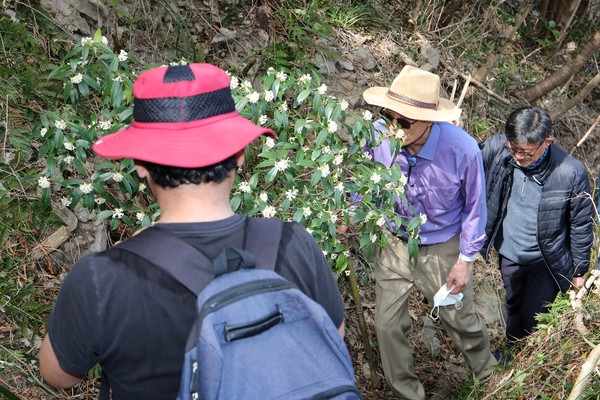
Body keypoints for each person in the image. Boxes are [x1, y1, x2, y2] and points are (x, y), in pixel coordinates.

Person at [38, 63, 346, 399]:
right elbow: (331, 340)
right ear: (241, 154)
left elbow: (58, 374)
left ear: (139, 164)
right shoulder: (295, 243)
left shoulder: (101, 279)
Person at [358, 65, 497, 399]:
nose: (394, 128)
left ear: (430, 120)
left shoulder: (462, 150)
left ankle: (491, 377)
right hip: (393, 242)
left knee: (459, 319)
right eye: (389, 116)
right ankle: (409, 393)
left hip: (442, 246)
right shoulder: (377, 134)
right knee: (387, 325)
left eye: (404, 122)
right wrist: (353, 211)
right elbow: (360, 180)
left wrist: (464, 259)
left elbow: (475, 209)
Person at [479, 106, 595, 345]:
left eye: (526, 153)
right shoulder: (498, 148)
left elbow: (581, 224)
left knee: (533, 318)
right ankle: (510, 352)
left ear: (547, 142)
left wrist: (579, 270)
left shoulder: (570, 172)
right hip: (509, 252)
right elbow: (467, 167)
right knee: (512, 307)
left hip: (546, 259)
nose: (518, 157)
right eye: (514, 149)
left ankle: (523, 358)